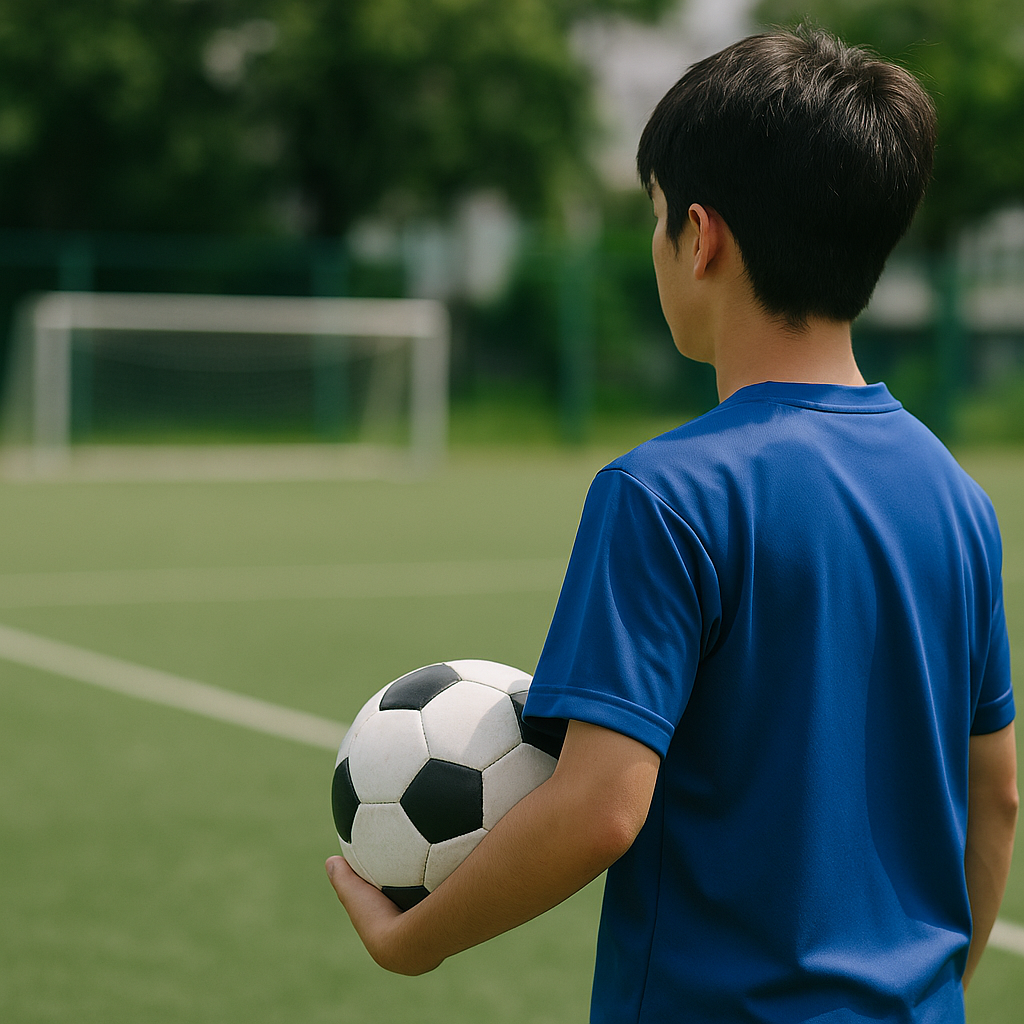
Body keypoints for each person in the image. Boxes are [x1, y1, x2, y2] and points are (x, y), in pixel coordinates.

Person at [326, 27, 1019, 1022]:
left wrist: (413, 941)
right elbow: (995, 795)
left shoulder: (663, 492)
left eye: (654, 217)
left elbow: (599, 807)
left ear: (701, 237)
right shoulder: (959, 501)